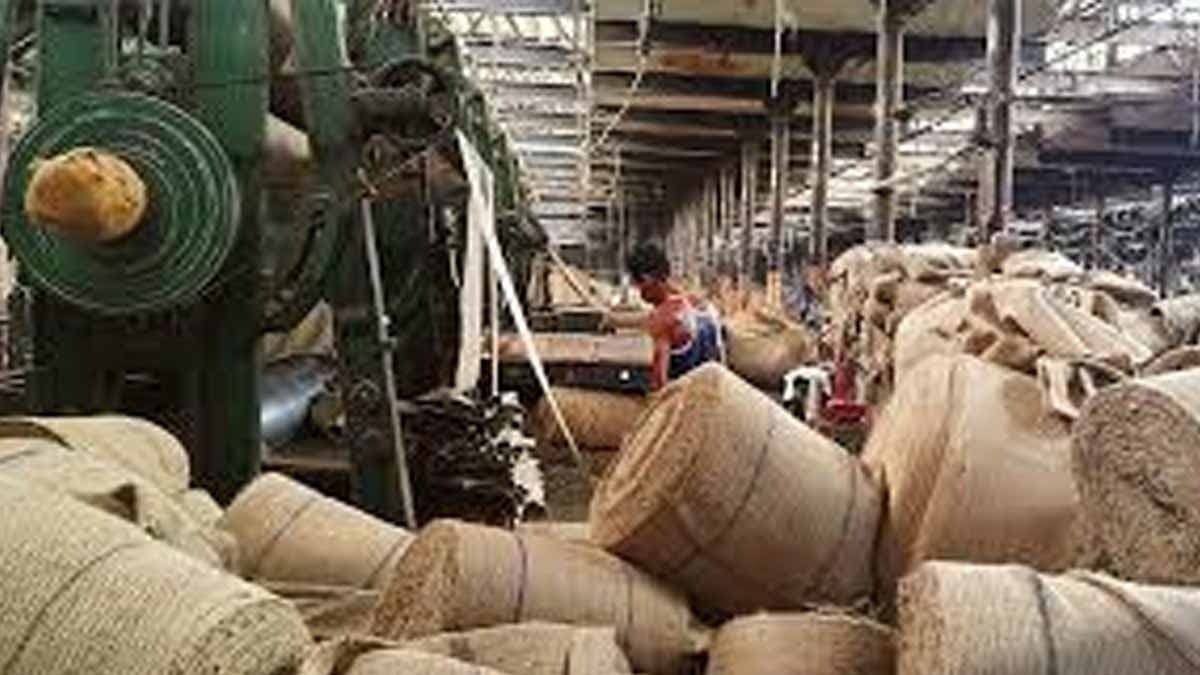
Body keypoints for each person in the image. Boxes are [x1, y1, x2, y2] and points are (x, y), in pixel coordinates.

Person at [622, 243, 724, 391]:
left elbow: (659, 383)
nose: (638, 292)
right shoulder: (703, 306)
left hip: (688, 403)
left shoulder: (662, 318)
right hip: (716, 394)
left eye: (637, 284)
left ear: (647, 279)